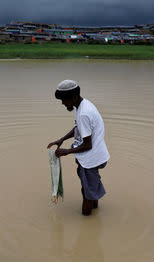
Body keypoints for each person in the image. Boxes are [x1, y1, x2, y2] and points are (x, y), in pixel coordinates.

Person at [47, 80, 110, 216]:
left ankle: (87, 219)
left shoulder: (83, 113)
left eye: (64, 100)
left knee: (87, 193)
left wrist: (66, 152)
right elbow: (79, 128)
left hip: (90, 160)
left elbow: (87, 145)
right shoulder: (84, 105)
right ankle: (94, 210)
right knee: (89, 188)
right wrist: (62, 139)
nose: (63, 103)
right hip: (94, 156)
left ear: (74, 97)